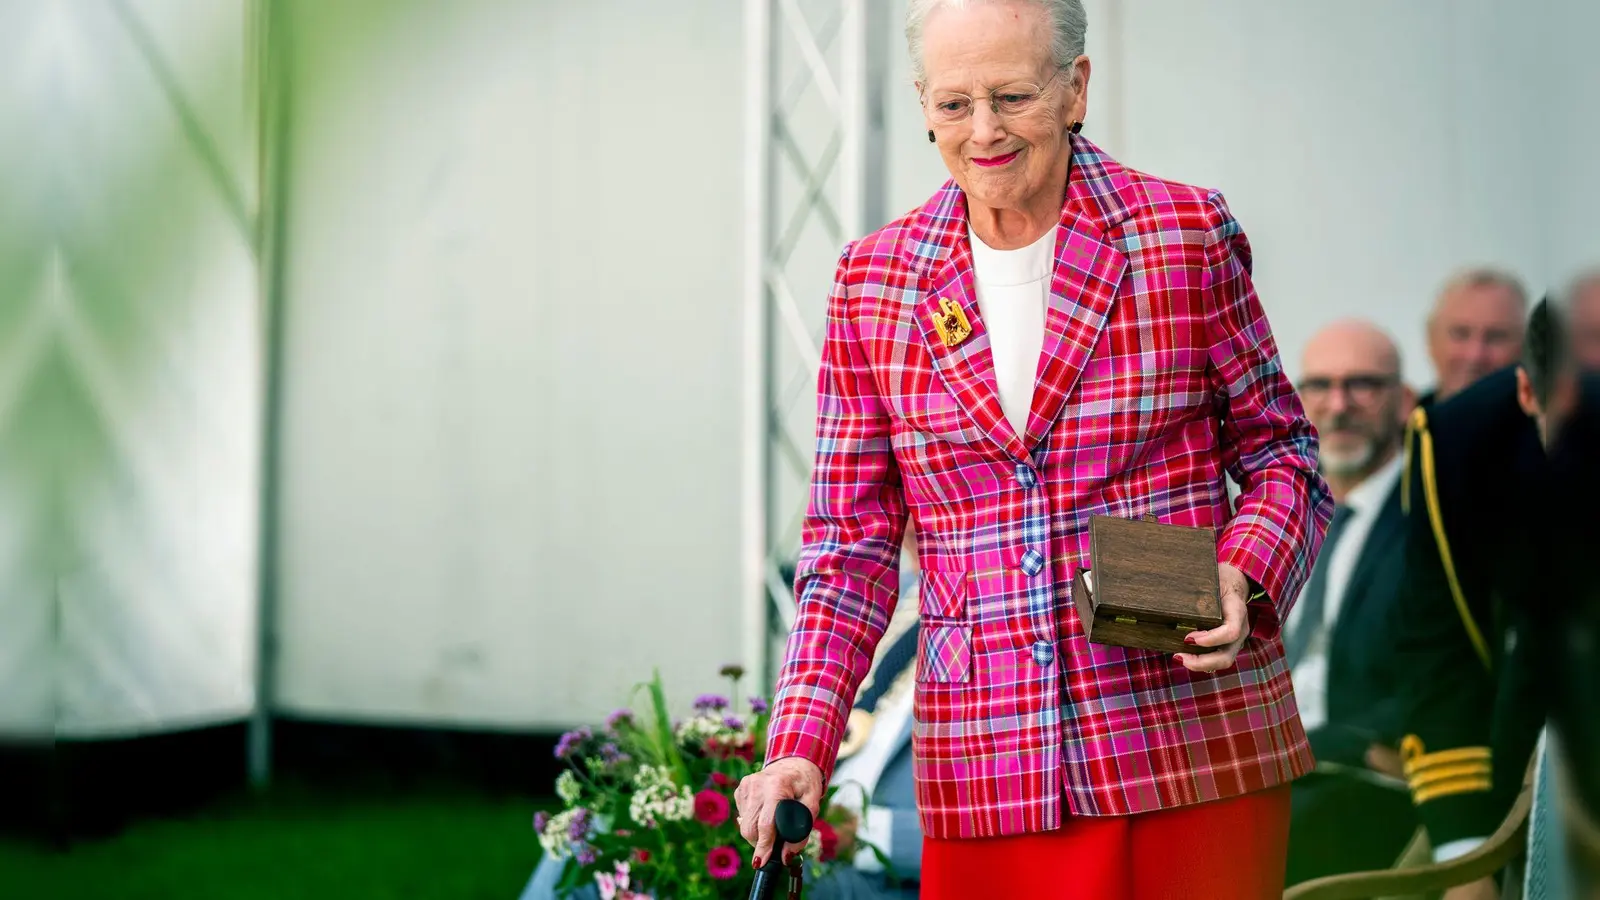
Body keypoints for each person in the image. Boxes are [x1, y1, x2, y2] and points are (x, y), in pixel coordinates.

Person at [734, 2, 1332, 898]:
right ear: (922, 103)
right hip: (989, 757)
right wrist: (800, 744)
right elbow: (848, 546)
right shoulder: (875, 280)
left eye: (1012, 96)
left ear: (1075, 89)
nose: (983, 131)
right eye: (953, 103)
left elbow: (1287, 455)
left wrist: (1239, 575)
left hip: (1191, 741)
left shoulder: (1183, 234)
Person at [1394, 296, 1583, 900]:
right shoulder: (1460, 448)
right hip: (1530, 751)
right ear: (1528, 395)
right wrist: (1468, 855)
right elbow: (1444, 647)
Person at [1281, 321, 1419, 885]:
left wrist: (1341, 744)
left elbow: (1455, 672)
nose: (1338, 406)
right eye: (1319, 387)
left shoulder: (1437, 523)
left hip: (1363, 779)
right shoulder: (1273, 521)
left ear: (1404, 402)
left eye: (1362, 385)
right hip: (1268, 768)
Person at [1421, 267, 1528, 406]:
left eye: (1495, 337)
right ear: (1431, 340)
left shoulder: (1547, 425)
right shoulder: (1399, 425)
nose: (1475, 355)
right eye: (1460, 334)